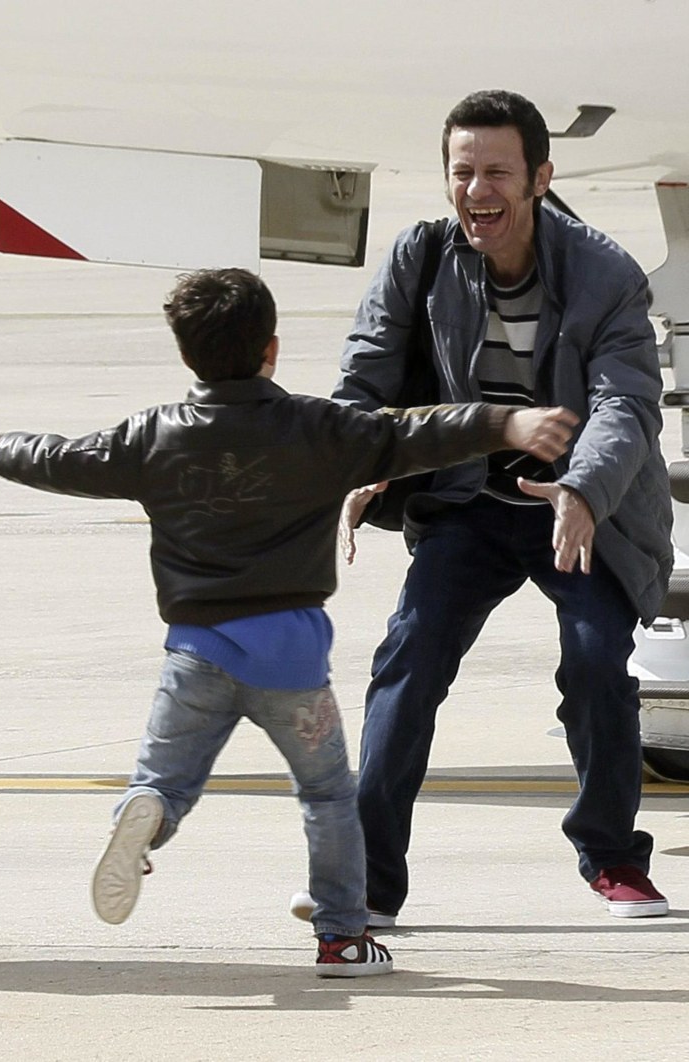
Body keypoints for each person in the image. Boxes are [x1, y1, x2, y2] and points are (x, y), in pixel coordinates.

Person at [0, 267, 575, 975]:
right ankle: (342, 938)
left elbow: (67, 457)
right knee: (327, 795)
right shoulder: (318, 429)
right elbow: (414, 433)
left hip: (195, 656)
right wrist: (504, 420)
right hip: (290, 661)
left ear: (186, 354)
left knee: (167, 780)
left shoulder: (153, 437)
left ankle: (149, 817)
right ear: (271, 349)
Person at [319, 89, 673, 926]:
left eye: (498, 173)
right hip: (468, 500)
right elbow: (366, 374)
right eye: (463, 171)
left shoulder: (604, 273)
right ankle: (368, 883)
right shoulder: (422, 256)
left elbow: (625, 405)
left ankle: (613, 857)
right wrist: (359, 462)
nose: (479, 190)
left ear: (541, 178)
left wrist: (582, 490)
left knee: (597, 664)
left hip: (582, 504)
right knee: (407, 664)